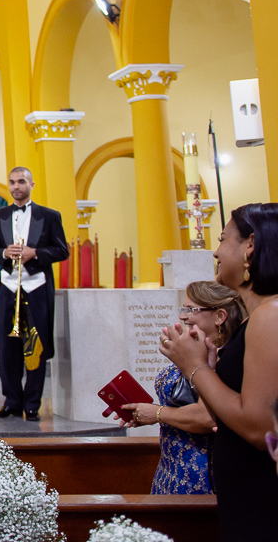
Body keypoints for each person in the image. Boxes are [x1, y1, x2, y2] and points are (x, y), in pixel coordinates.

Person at [161, 203, 278, 540]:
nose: (216, 251)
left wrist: (195, 367)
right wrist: (211, 372)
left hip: (263, 499)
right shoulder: (258, 317)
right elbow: (225, 418)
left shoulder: (270, 315)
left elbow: (260, 429)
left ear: (250, 245)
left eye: (224, 239)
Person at [119, 280, 245, 494]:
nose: (183, 316)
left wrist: (157, 413)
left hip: (198, 472)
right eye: (183, 309)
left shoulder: (226, 357)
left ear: (220, 316)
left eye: (191, 310)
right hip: (170, 466)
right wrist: (141, 411)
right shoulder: (195, 349)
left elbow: (207, 417)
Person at [0, 166, 69, 421]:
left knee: (36, 346)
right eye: (12, 182)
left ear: (31, 185)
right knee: (7, 348)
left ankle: (32, 404)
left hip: (36, 287)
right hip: (8, 287)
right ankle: (12, 402)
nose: (16, 186)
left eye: (21, 181)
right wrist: (4, 253)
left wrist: (36, 253)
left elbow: (62, 250)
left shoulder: (49, 216)